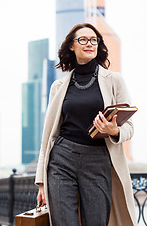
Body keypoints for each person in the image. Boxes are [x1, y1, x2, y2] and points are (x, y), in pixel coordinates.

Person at [35, 23, 136, 226]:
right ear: (71, 46)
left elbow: (130, 128)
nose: (89, 44)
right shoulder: (59, 86)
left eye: (93, 40)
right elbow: (48, 137)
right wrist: (41, 183)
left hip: (98, 160)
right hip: (61, 159)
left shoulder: (114, 80)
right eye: (83, 39)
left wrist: (113, 130)